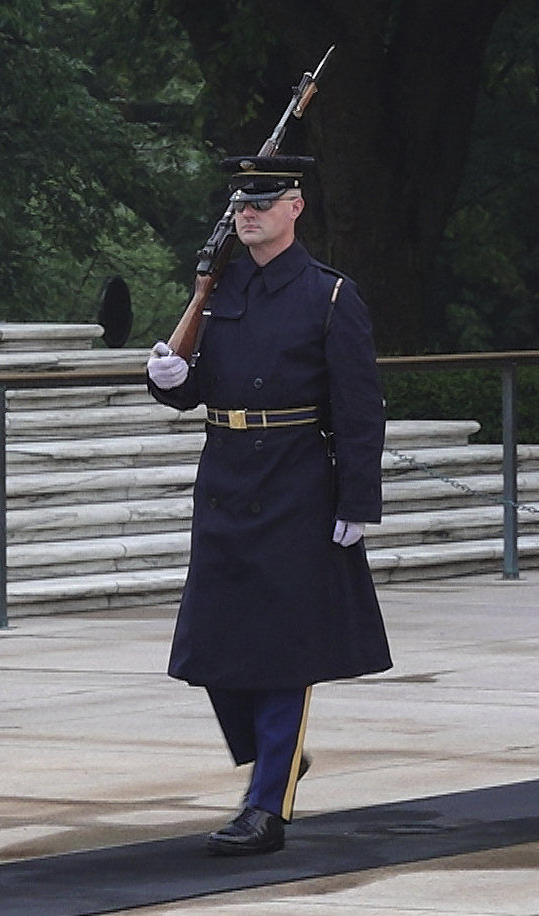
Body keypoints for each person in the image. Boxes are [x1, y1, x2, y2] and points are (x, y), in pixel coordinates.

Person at [146, 155, 391, 856]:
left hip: (295, 483)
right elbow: (196, 385)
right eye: (240, 202)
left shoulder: (330, 296)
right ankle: (274, 753)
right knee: (213, 645)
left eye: (265, 199)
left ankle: (267, 807)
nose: (248, 210)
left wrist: (357, 498)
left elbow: (358, 407)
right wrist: (168, 379)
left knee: (284, 651)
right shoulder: (219, 289)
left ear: (295, 208)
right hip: (224, 477)